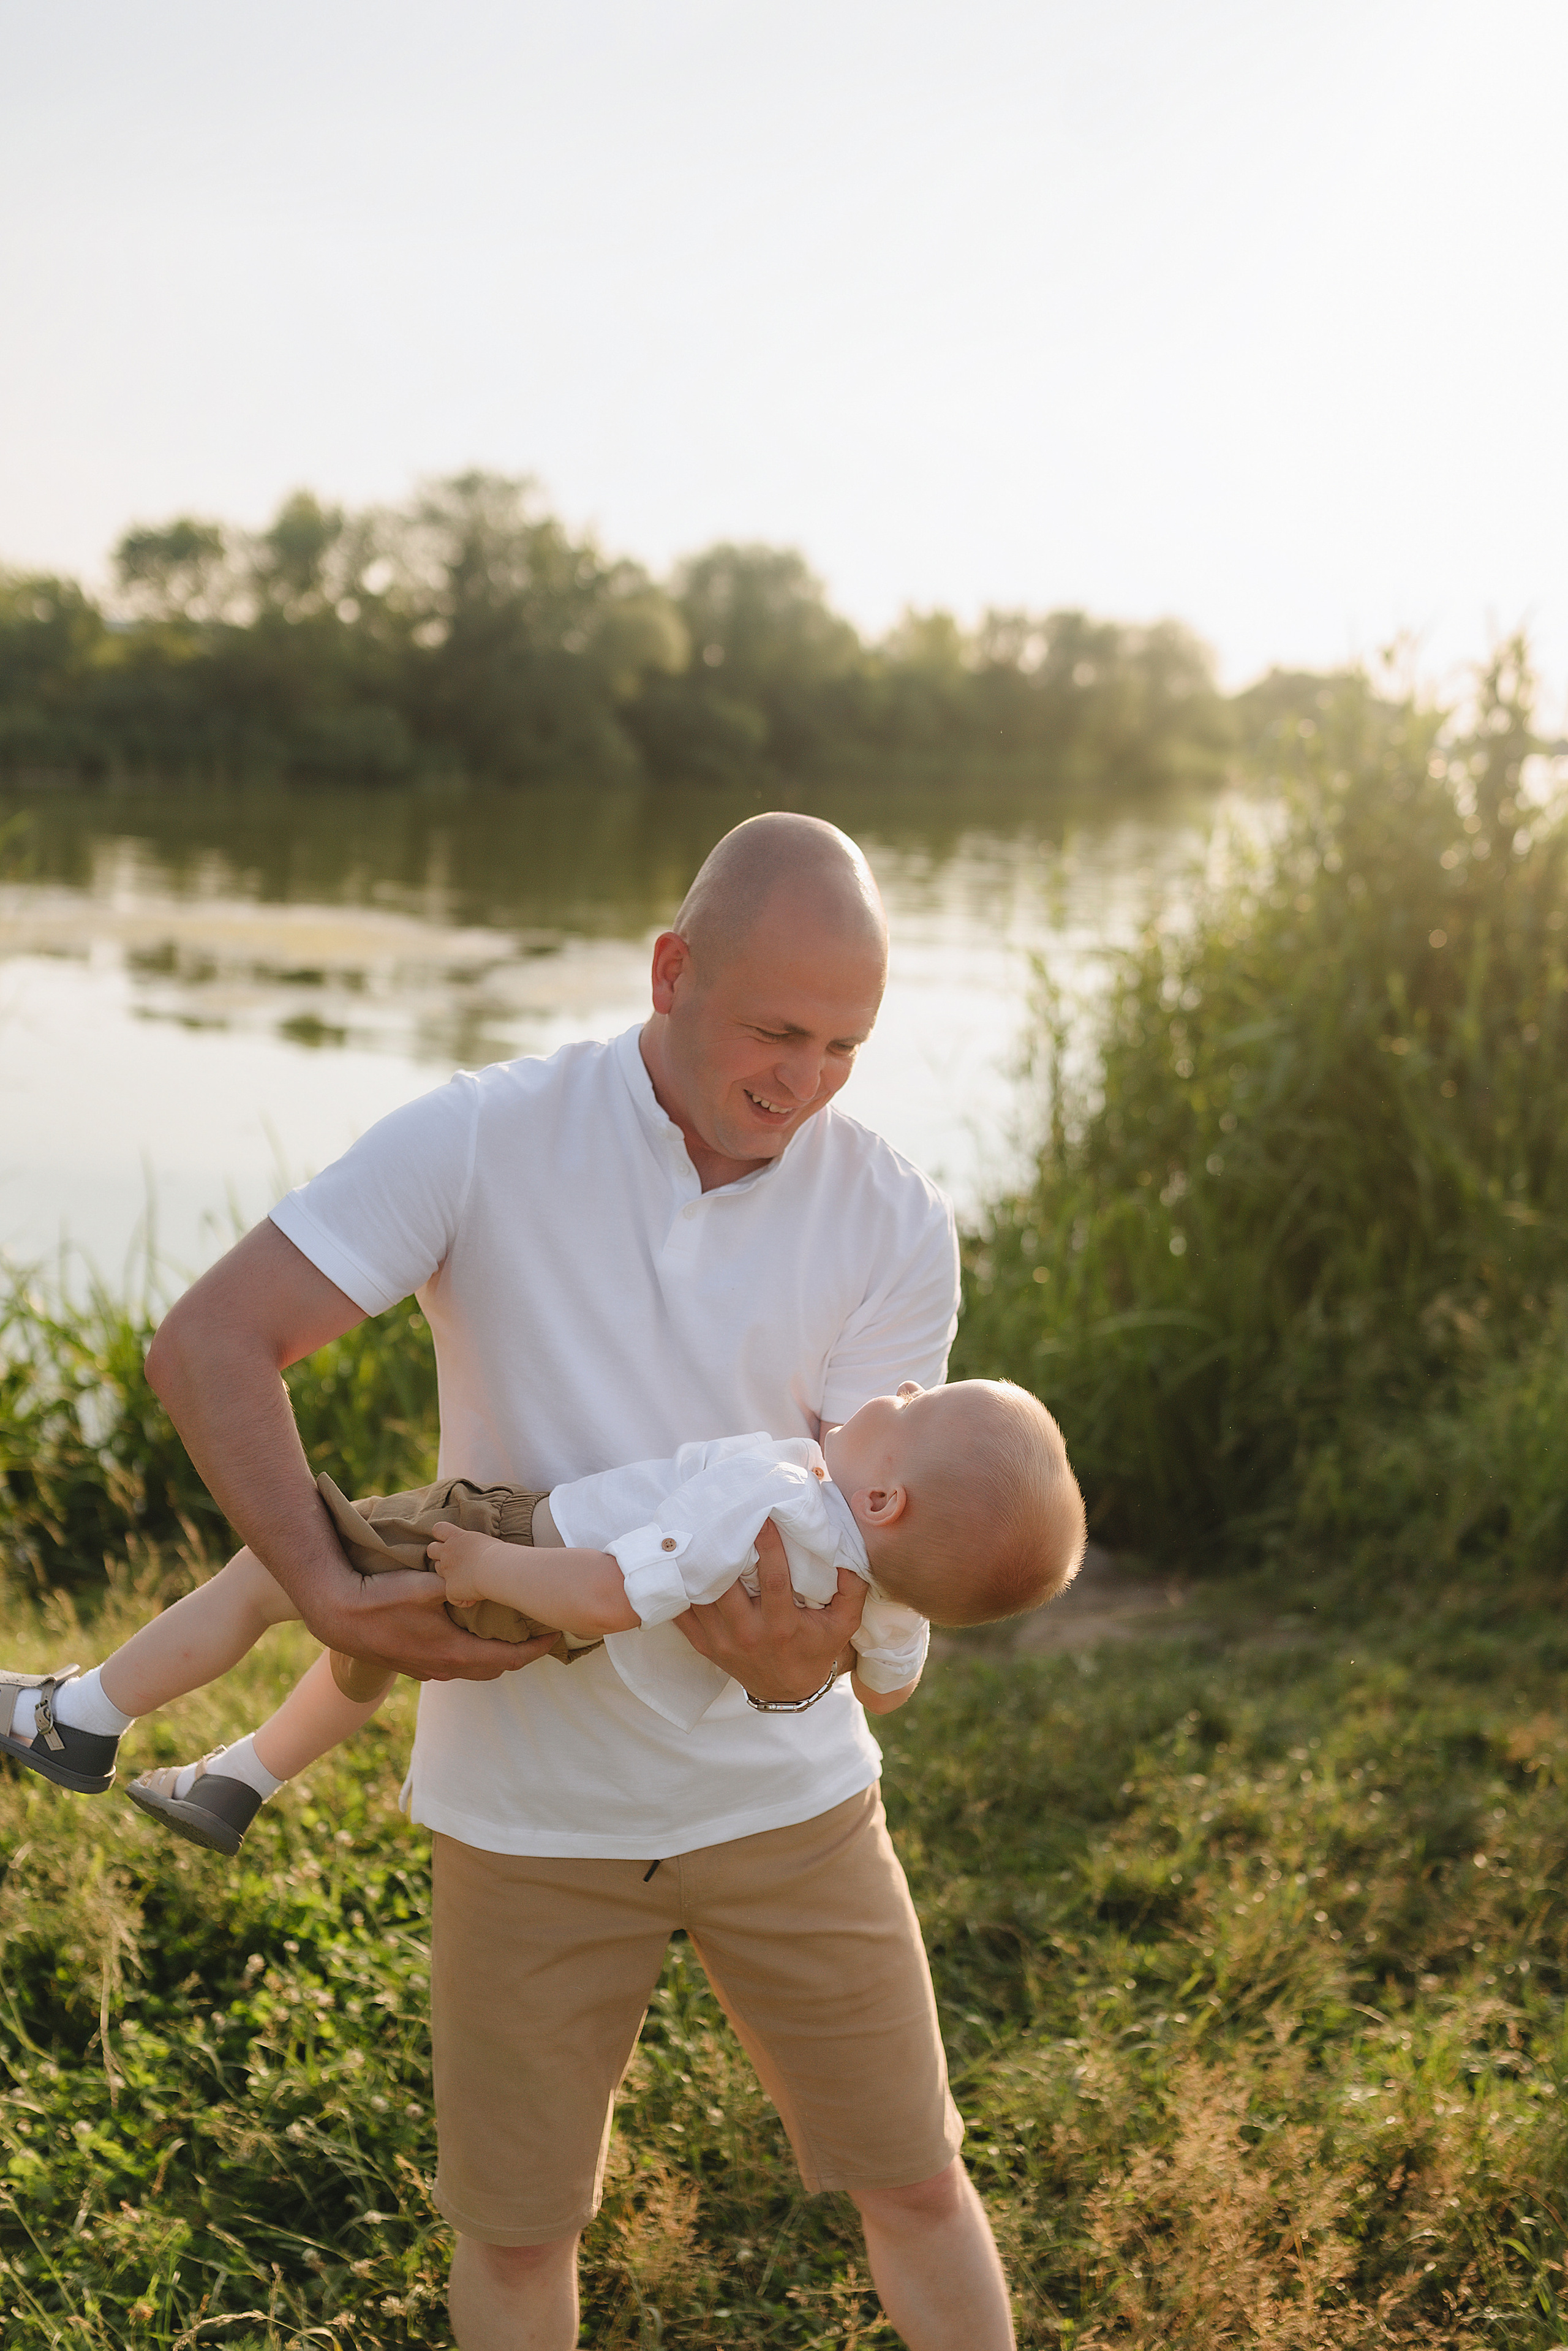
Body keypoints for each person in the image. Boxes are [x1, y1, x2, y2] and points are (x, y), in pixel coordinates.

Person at [129, 812, 1020, 2350]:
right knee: (519, 2233)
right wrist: (331, 1595)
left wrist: (803, 1661)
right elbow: (211, 1343)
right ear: (673, 969)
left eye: (844, 1045)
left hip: (791, 1810)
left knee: (919, 2183)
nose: (802, 1080)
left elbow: (875, 1548)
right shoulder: (483, 1135)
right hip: (523, 1816)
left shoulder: (888, 1214)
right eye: (775, 1028)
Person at [1, 1379, 1085, 1854]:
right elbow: (889, 1686)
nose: (895, 1387)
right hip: (543, 1608)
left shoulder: (778, 1493)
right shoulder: (889, 1597)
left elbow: (613, 1586)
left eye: (910, 1405)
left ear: (884, 1497)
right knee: (364, 1638)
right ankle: (243, 1777)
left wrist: (483, 1556)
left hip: (525, 1549)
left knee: (263, 1572)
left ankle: (82, 1715)